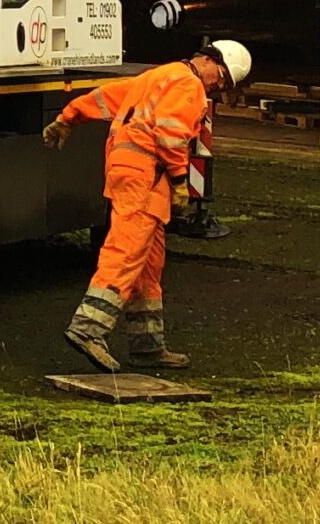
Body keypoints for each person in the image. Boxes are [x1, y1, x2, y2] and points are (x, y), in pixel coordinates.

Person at [42, 39, 250, 371]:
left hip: (130, 173)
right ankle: (88, 329)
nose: (217, 86)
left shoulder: (159, 75)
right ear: (211, 62)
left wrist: (68, 118)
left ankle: (147, 344)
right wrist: (181, 180)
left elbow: (106, 97)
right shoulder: (188, 84)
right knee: (126, 251)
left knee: (148, 262)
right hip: (146, 177)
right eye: (221, 78)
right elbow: (170, 134)